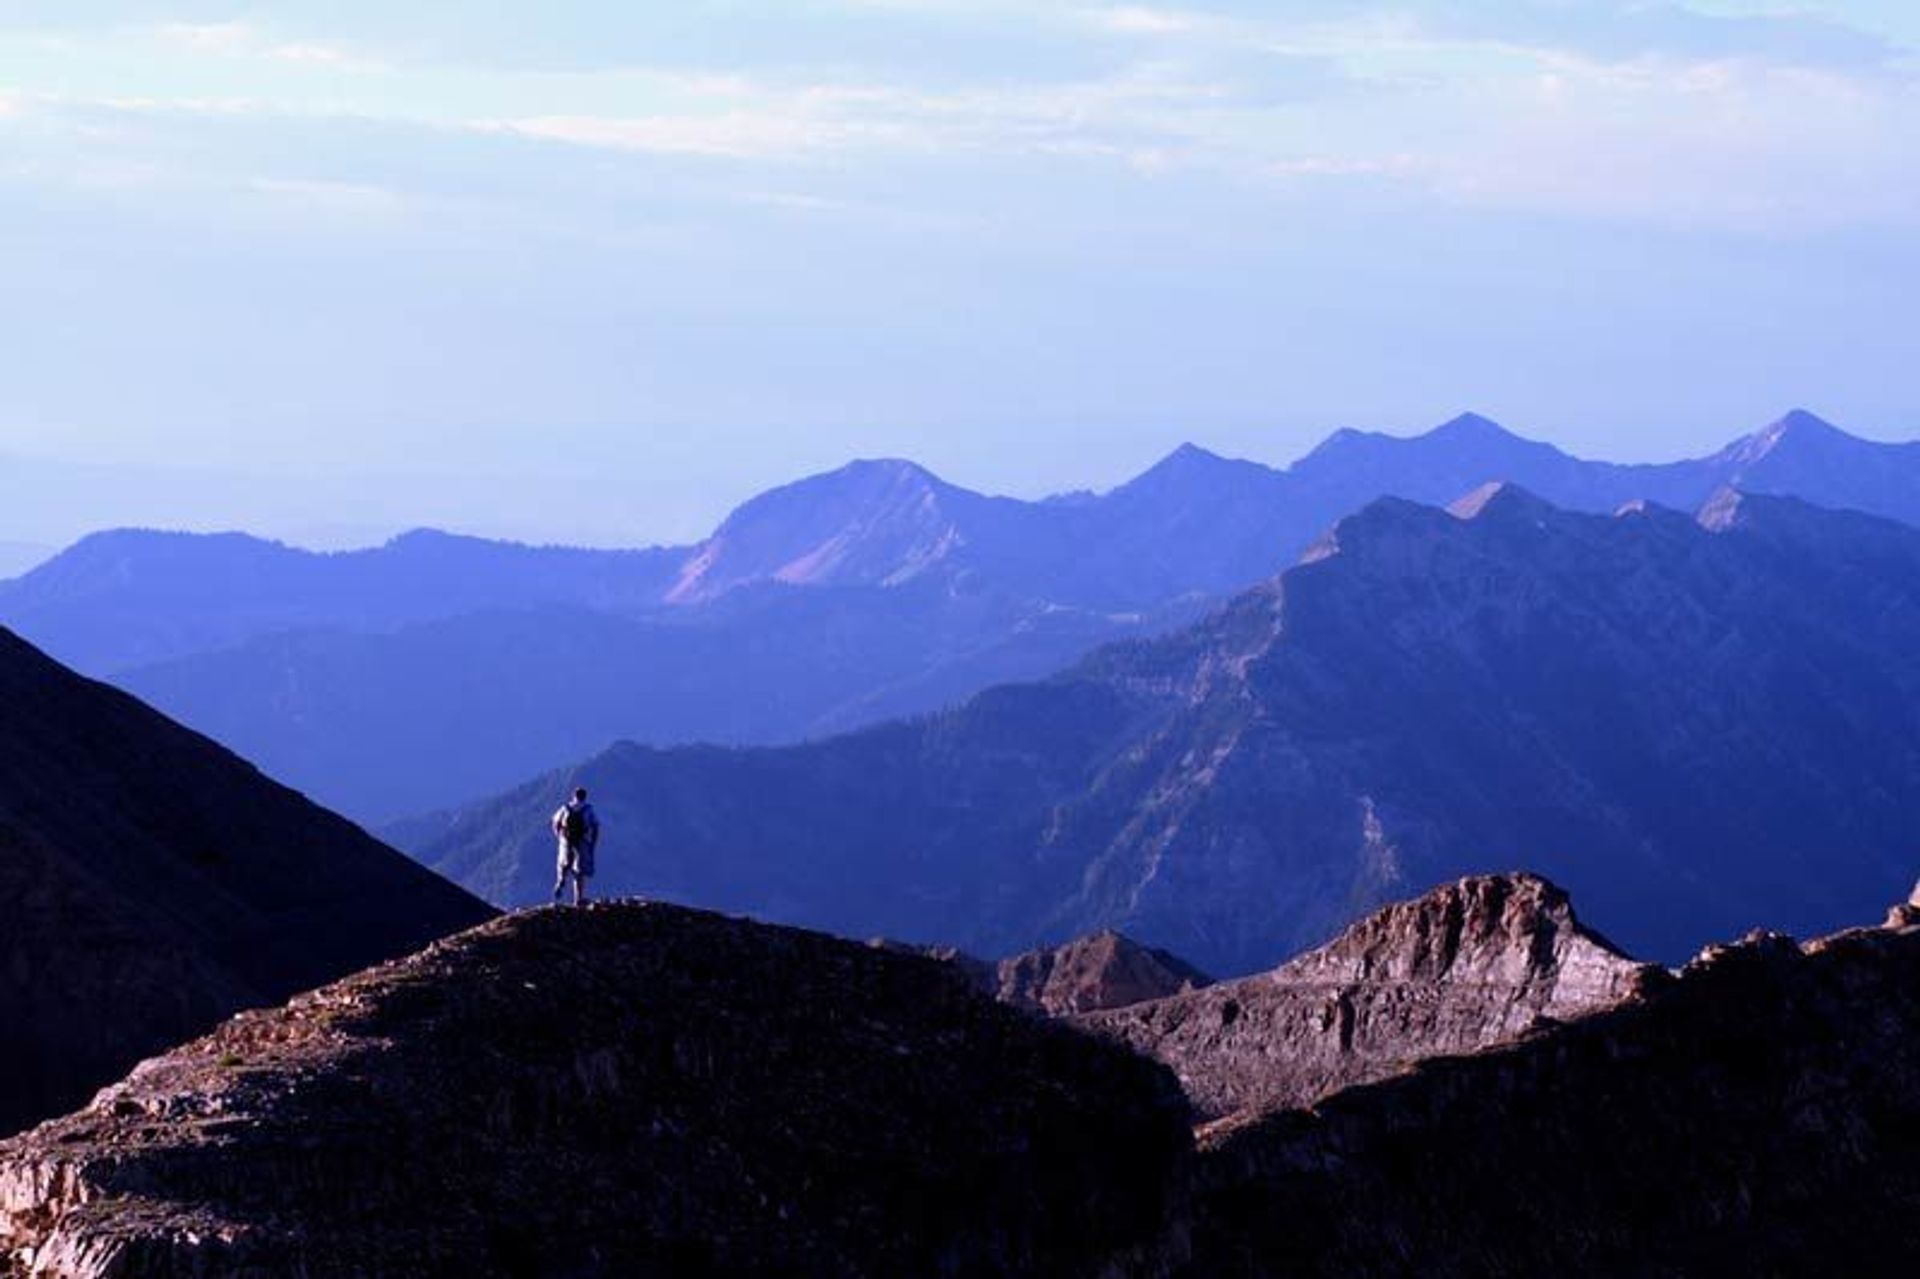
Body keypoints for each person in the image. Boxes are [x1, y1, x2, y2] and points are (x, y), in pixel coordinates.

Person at [551, 786, 600, 906]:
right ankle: (578, 898)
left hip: (566, 841)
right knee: (579, 872)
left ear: (574, 796)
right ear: (585, 797)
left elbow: (555, 822)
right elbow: (595, 826)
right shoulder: (588, 809)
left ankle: (560, 882)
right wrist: (592, 843)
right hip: (581, 842)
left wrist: (559, 836)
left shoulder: (565, 808)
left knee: (563, 865)